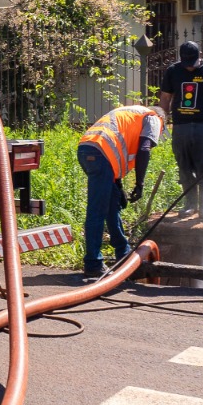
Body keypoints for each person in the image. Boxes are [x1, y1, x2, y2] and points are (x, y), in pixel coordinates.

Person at [76, 104, 166, 279]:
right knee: (97, 210)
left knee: (111, 206)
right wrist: (140, 184)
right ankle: (93, 263)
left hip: (89, 149)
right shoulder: (154, 117)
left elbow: (115, 146)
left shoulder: (132, 113)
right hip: (101, 154)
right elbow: (144, 148)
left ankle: (123, 255)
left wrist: (118, 186)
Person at [157, 41, 203, 222]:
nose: (190, 67)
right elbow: (165, 97)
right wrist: (162, 122)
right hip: (181, 127)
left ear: (199, 55)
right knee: (184, 166)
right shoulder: (173, 71)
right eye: (186, 63)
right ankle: (190, 205)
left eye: (192, 62)